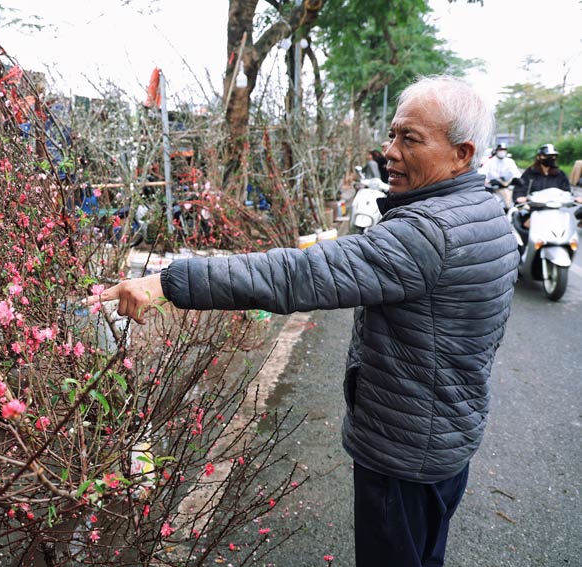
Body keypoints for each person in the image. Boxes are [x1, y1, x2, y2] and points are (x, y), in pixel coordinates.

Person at [87, 75, 518, 567]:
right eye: (393, 135)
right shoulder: (482, 210)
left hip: (407, 445)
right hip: (446, 434)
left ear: (462, 153)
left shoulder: (428, 233)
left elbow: (300, 275)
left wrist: (167, 282)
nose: (389, 152)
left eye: (410, 139)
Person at [478, 142, 520, 208]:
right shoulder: (490, 161)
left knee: (512, 202)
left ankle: (509, 210)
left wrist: (509, 181)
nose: (502, 152)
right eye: (500, 150)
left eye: (504, 150)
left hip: (507, 186)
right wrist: (488, 181)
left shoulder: (510, 161)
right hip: (493, 187)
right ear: (497, 150)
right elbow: (482, 173)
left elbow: (517, 174)